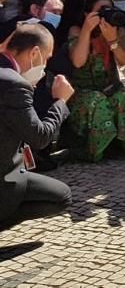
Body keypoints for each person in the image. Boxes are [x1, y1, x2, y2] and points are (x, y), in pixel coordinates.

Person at [0, 24, 74, 231]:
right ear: (34, 53)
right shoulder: (15, 84)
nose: (45, 66)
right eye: (46, 58)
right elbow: (40, 137)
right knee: (61, 196)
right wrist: (61, 102)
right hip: (4, 178)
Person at [64, 0, 125, 162]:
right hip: (83, 90)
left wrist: (112, 41)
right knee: (97, 100)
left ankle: (122, 145)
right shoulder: (76, 30)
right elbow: (78, 61)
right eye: (101, 10)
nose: (106, 14)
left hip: (109, 86)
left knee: (124, 96)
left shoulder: (117, 29)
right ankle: (94, 150)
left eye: (109, 9)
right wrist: (87, 31)